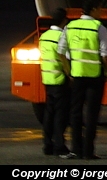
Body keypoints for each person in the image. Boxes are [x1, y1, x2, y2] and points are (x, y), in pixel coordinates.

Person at [58, 0, 107, 160]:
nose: (101, 12)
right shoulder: (99, 28)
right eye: (100, 9)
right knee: (92, 115)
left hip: (77, 76)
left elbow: (60, 52)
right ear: (94, 9)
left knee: (75, 113)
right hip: (95, 77)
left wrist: (68, 71)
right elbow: (105, 55)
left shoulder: (70, 26)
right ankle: (89, 151)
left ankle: (76, 149)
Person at [39, 8, 70, 156]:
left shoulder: (44, 36)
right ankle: (60, 145)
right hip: (59, 79)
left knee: (49, 114)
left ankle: (47, 144)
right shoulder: (62, 36)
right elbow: (66, 57)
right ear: (64, 21)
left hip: (47, 78)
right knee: (60, 115)